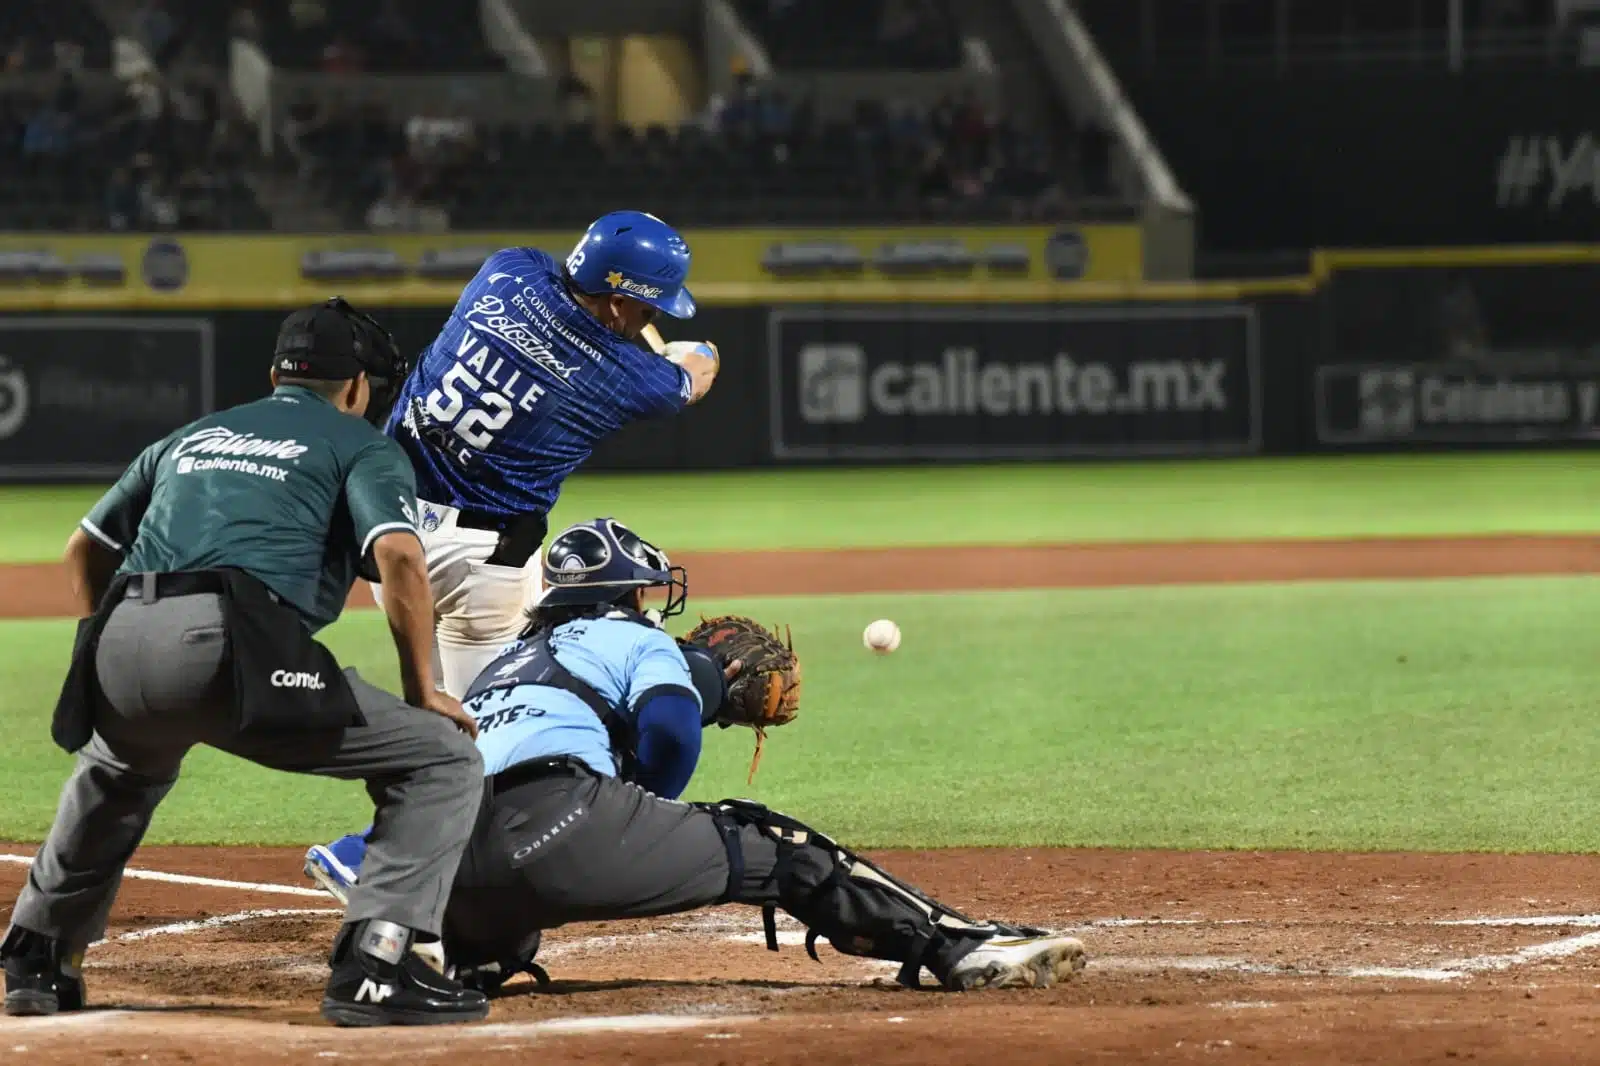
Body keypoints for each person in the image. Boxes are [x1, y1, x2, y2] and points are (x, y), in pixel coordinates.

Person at [305, 519, 1087, 994]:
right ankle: (955, 948)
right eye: (644, 594)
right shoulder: (633, 637)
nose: (650, 608)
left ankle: (460, 959)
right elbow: (674, 729)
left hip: (442, 867)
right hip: (563, 827)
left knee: (502, 904)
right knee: (778, 848)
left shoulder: (509, 660)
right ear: (626, 594)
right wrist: (646, 797)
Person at [0, 299, 491, 1028]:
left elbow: (85, 548)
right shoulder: (357, 442)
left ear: (275, 375)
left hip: (121, 629)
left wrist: (107, 641)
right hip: (230, 641)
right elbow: (397, 557)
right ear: (358, 388)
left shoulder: (190, 435)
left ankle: (37, 956)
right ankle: (378, 964)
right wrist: (424, 690)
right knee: (443, 759)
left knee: (120, 767)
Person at [376, 210, 721, 700]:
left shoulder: (508, 269)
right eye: (651, 310)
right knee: (488, 723)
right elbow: (694, 379)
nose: (655, 319)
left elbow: (556, 284)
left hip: (386, 527)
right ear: (619, 303)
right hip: (479, 562)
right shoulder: (632, 379)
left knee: (428, 705)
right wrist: (702, 352)